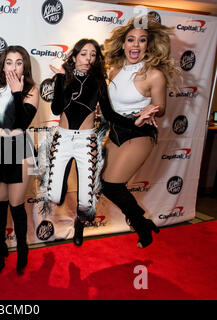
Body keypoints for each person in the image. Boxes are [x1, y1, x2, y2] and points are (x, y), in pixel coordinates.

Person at [46, 38, 156, 246]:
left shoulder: (98, 83)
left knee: (86, 203)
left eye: (93, 54)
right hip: (63, 139)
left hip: (86, 142)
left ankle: (80, 223)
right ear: (75, 56)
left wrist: (137, 122)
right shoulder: (63, 79)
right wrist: (61, 79)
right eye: (84, 53)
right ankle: (61, 196)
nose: (88, 58)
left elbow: (111, 115)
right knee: (54, 197)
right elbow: (55, 109)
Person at [101, 15, 181, 248]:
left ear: (148, 44)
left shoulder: (153, 74)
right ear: (123, 44)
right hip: (116, 130)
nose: (135, 45)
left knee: (112, 186)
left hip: (140, 132)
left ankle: (141, 225)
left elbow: (162, 108)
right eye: (131, 40)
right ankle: (144, 225)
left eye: (142, 40)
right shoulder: (114, 71)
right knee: (105, 185)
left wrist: (152, 109)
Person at [0, 45, 39, 275]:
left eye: (18, 62)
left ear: (24, 66)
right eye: (9, 62)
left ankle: (22, 250)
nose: (13, 66)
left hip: (19, 147)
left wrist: (17, 92)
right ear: (2, 65)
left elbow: (21, 122)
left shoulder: (30, 89)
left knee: (16, 205)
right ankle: (0, 251)